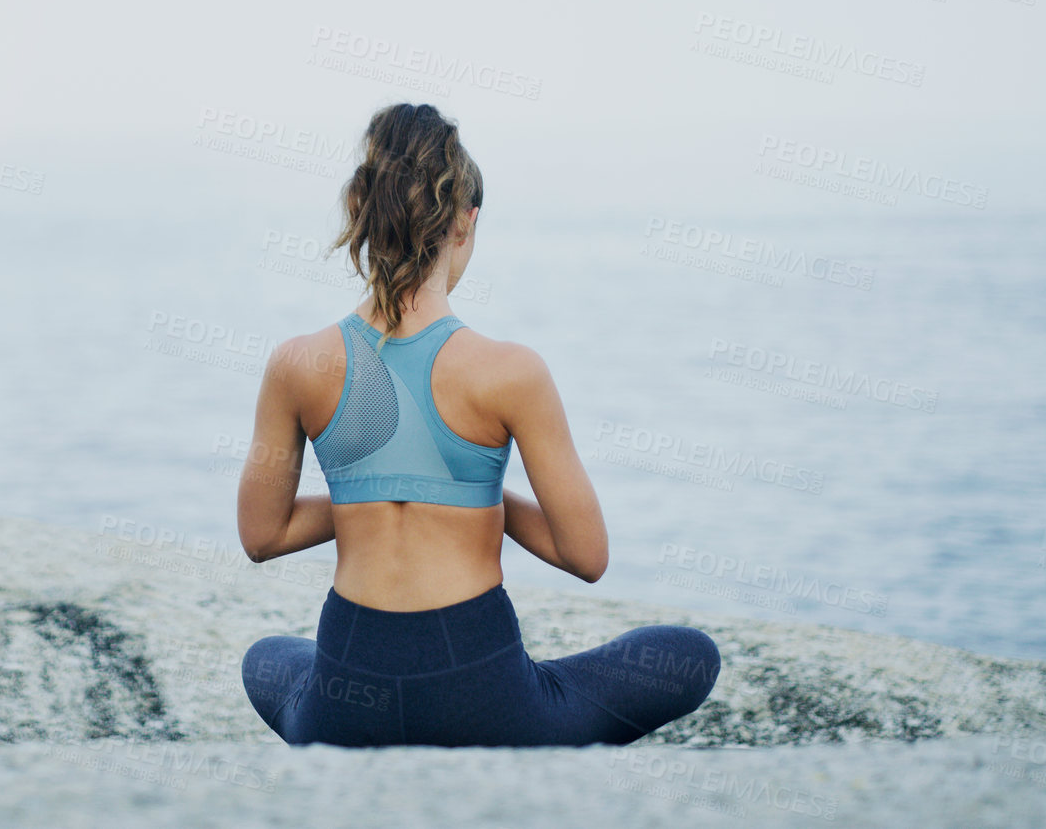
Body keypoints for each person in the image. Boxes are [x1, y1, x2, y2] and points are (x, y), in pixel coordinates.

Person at [237, 103, 720, 747]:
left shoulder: (297, 364)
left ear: (360, 210)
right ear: (465, 222)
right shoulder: (510, 372)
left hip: (345, 702)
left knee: (266, 658)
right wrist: (475, 496)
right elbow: (587, 555)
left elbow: (261, 536)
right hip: (480, 697)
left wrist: (372, 495)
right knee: (689, 655)